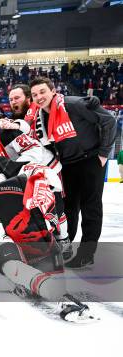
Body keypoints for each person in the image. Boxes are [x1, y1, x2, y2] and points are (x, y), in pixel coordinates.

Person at [29, 77, 116, 268]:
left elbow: (109, 121)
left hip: (90, 160)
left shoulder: (73, 104)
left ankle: (86, 254)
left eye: (42, 92)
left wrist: (103, 153)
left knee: (90, 208)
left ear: (53, 91)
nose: (39, 97)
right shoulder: (40, 116)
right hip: (67, 165)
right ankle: (64, 249)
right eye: (35, 94)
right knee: (68, 208)